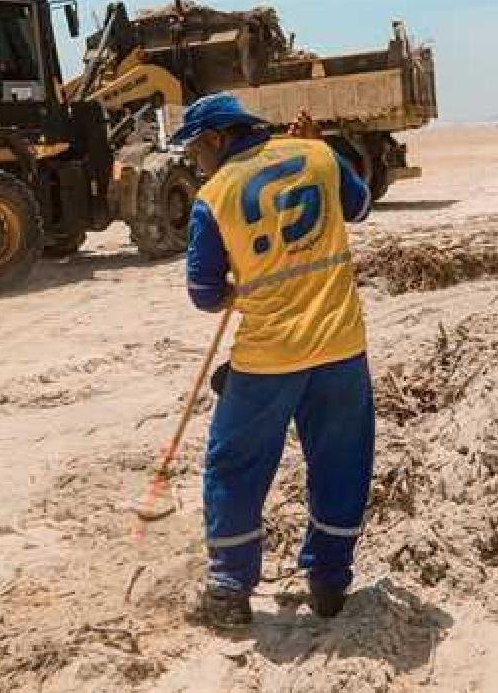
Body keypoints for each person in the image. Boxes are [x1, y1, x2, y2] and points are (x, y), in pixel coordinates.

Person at [175, 92, 375, 629]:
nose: (196, 161)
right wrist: (318, 144)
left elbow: (202, 290)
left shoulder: (214, 194)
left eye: (196, 150)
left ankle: (229, 588)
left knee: (235, 467)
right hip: (340, 346)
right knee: (341, 464)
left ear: (217, 139)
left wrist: (235, 290)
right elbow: (360, 207)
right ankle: (329, 581)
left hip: (268, 356)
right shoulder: (317, 155)